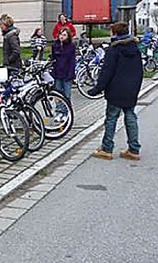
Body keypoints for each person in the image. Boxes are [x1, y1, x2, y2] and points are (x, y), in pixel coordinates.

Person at [87, 22, 143, 161]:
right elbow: (140, 71)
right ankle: (134, 149)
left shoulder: (114, 50)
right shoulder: (135, 49)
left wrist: (96, 89)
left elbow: (107, 72)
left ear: (115, 33)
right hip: (131, 89)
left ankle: (106, 149)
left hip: (116, 89)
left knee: (111, 118)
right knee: (130, 116)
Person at [51, 27, 76, 103]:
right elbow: (53, 58)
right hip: (57, 73)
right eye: (60, 34)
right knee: (57, 94)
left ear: (68, 36)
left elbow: (72, 61)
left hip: (67, 73)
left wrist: (71, 74)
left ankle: (66, 111)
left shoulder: (71, 46)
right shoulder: (55, 45)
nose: (61, 36)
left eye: (64, 35)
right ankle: (59, 111)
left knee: (66, 94)